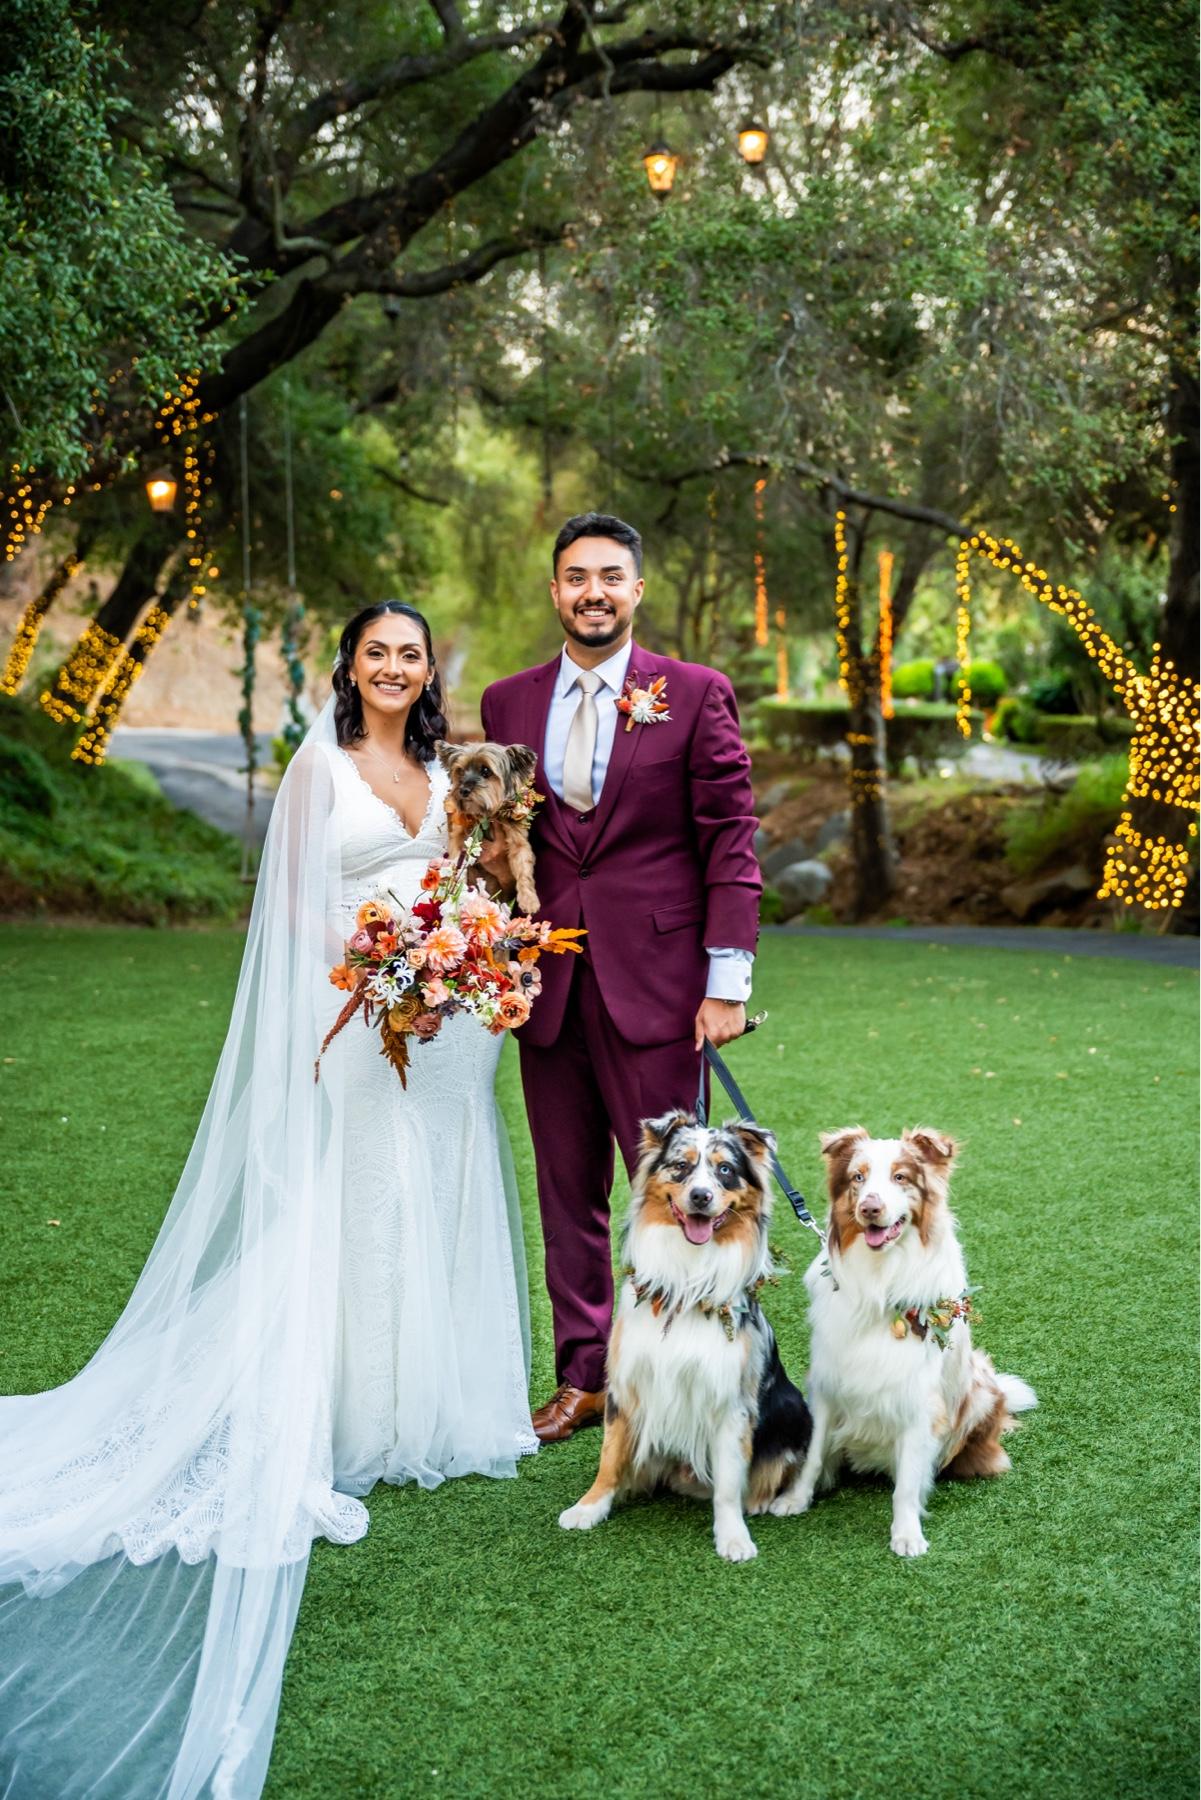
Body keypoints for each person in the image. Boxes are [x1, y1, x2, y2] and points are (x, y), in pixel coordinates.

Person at [0, 602, 535, 1800]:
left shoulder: (450, 770)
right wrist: (372, 980)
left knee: (449, 1181)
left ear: (428, 671)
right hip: (360, 1005)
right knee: (366, 1195)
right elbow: (292, 905)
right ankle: (358, 1411)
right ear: (350, 665)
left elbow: (477, 874)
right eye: (376, 652)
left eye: (411, 654)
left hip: (457, 1021)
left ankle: (441, 1406)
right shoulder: (318, 767)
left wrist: (478, 951)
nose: (394, 667)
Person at [481, 512, 761, 1444]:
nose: (592, 592)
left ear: (636, 590)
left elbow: (730, 840)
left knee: (678, 1192)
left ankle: (684, 1372)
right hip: (547, 988)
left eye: (609, 576)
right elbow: (500, 840)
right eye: (575, 577)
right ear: (554, 590)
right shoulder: (507, 703)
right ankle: (585, 1377)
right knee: (567, 1195)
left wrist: (726, 982)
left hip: (662, 990)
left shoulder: (695, 693)